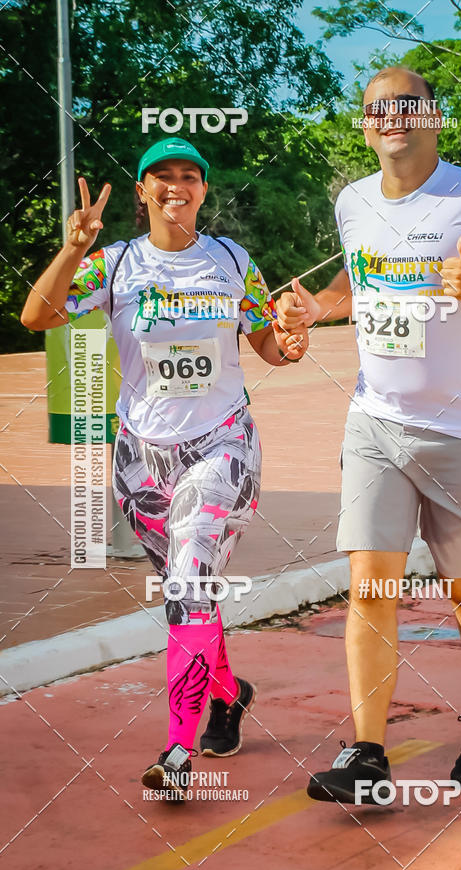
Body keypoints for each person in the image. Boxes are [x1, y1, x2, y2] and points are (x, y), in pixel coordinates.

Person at [276, 67, 461, 804]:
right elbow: (357, 281)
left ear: (435, 118)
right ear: (365, 123)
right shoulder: (352, 203)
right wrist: (317, 309)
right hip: (376, 422)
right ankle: (368, 753)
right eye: (378, 107)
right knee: (370, 584)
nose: (393, 117)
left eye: (408, 105)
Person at [21, 137, 308, 801]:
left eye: (190, 176)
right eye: (163, 176)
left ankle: (178, 752)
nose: (178, 185)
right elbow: (39, 314)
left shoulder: (233, 261)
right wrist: (72, 248)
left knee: (185, 583)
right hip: (143, 461)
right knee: (191, 595)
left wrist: (289, 342)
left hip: (221, 444)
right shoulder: (116, 266)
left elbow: (268, 341)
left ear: (204, 190)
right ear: (144, 190)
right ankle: (230, 695)